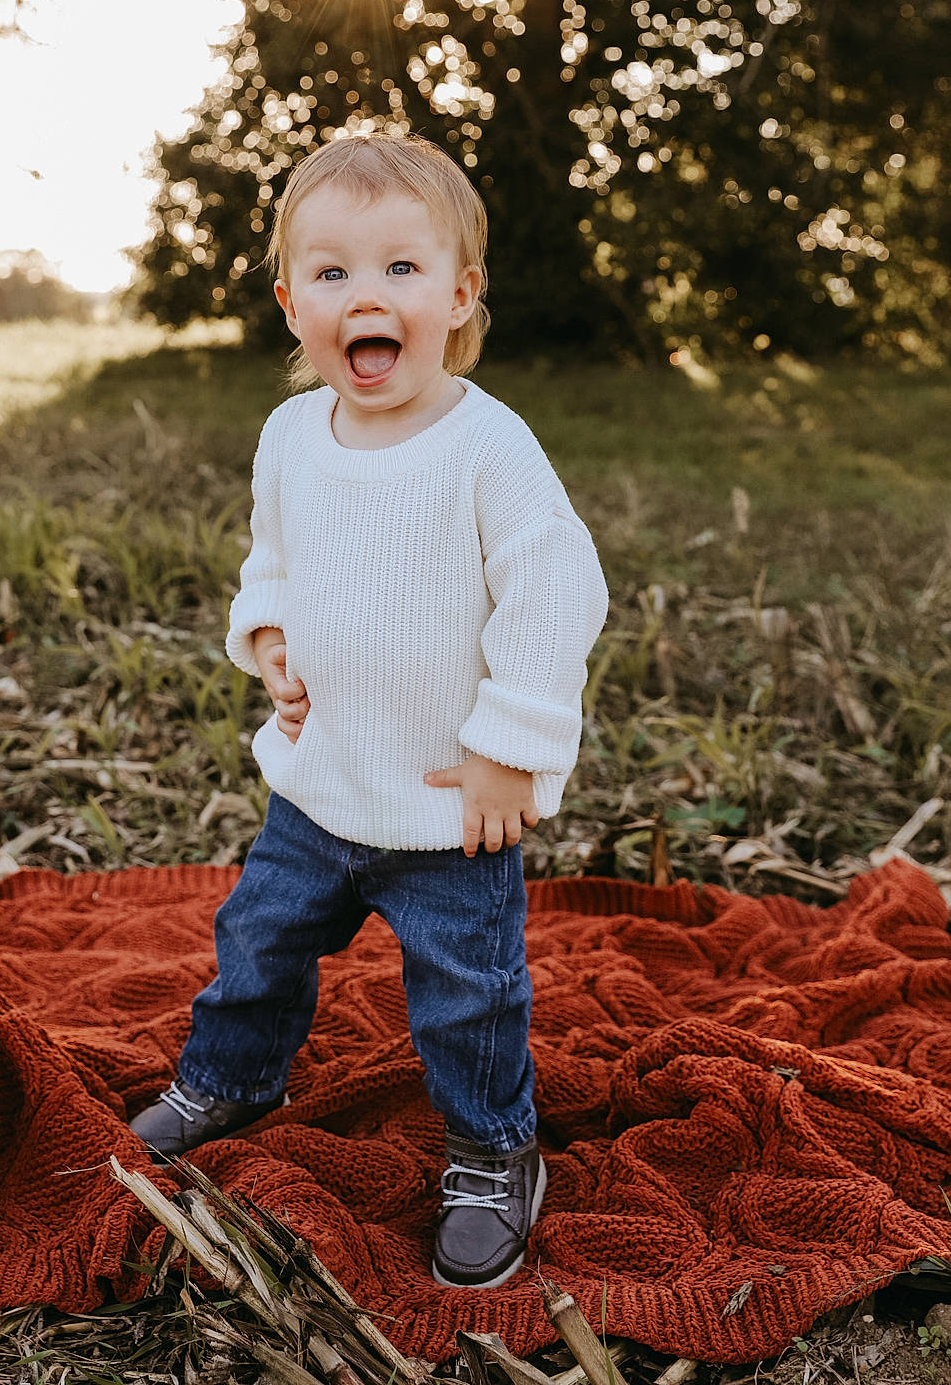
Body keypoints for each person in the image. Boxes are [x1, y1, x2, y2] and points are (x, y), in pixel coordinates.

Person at [130, 132, 608, 1288]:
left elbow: (557, 585)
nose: (367, 296)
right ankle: (236, 1072)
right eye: (333, 273)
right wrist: (273, 636)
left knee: (465, 993)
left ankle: (494, 1149)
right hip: (321, 777)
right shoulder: (292, 435)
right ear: (294, 303)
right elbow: (277, 560)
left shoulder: (485, 445)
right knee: (256, 942)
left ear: (459, 293)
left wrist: (509, 748)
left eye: (401, 268)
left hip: (449, 805)